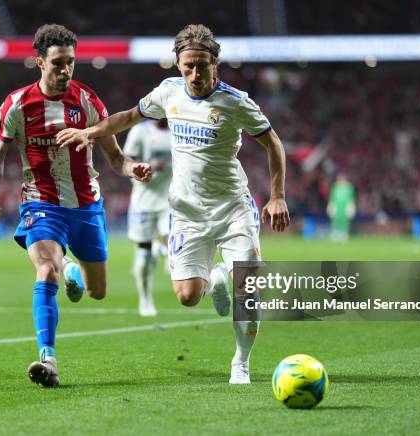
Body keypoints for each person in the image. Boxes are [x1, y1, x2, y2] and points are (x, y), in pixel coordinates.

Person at [56, 24, 290, 384]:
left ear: (216, 63)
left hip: (232, 210)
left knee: (247, 285)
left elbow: (273, 143)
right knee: (186, 296)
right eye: (188, 66)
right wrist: (90, 132)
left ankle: (240, 362)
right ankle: (215, 280)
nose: (195, 74)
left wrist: (277, 196)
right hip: (186, 213)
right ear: (177, 65)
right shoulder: (168, 93)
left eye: (202, 65)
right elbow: (129, 117)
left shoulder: (236, 101)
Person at [0, 24, 151, 388]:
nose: (66, 70)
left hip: (87, 206)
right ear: (39, 62)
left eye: (71, 62)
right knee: (45, 270)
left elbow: (115, 157)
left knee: (98, 291)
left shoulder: (88, 101)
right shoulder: (16, 105)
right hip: (42, 204)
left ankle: (72, 266)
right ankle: (48, 358)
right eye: (58, 63)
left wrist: (131, 169)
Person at [123, 118, 172, 316]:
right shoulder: (140, 131)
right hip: (143, 202)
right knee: (143, 256)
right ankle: (145, 298)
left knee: (172, 239)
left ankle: (167, 252)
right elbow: (127, 164)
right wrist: (149, 166)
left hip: (170, 199)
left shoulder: (179, 128)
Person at [326, 172, 355, 242]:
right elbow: (332, 198)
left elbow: (351, 198)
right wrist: (330, 206)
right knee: (335, 220)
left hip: (345, 207)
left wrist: (351, 207)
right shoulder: (335, 187)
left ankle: (344, 234)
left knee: (345, 220)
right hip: (337, 207)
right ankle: (335, 234)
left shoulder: (349, 187)